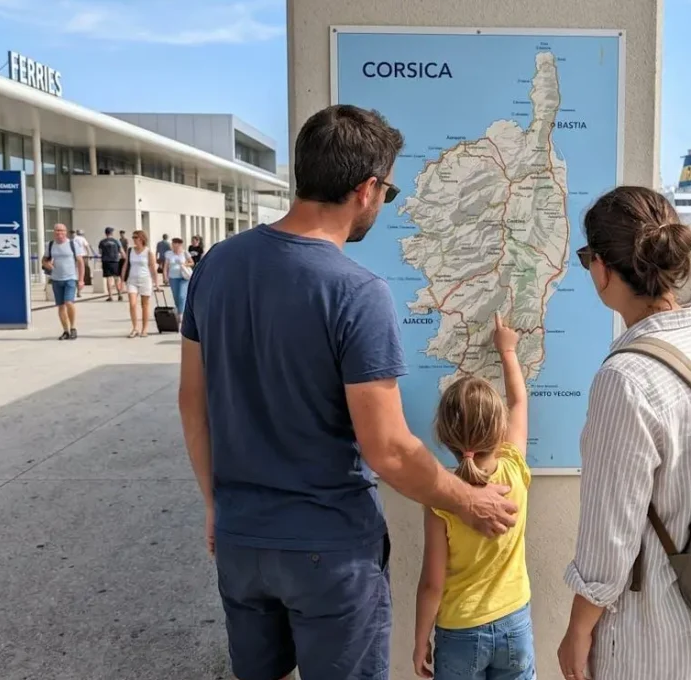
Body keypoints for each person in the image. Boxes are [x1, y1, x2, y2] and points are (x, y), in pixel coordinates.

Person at [177, 104, 517, 680]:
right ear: (367, 189)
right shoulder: (356, 293)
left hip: (241, 539)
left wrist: (217, 505)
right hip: (329, 551)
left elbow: (193, 400)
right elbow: (387, 449)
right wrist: (469, 500)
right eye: (387, 188)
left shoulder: (216, 267)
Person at [557, 186, 691, 680]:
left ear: (603, 269)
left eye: (587, 257)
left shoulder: (625, 379)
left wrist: (577, 630)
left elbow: (611, 537)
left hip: (650, 638)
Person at [413, 314, 533, 680]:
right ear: (498, 431)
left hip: (460, 632)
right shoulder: (514, 470)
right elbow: (519, 403)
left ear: (444, 435)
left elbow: (433, 583)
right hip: (515, 622)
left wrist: (420, 641)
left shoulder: (441, 500)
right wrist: (507, 350)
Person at [41, 223, 85, 341]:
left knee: (69, 302)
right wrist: (47, 264)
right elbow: (44, 259)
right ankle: (65, 330)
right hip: (56, 279)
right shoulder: (50, 245)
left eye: (61, 231)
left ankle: (73, 328)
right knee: (60, 306)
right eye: (57, 231)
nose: (59, 233)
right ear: (54, 232)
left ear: (65, 232)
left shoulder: (72, 244)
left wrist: (81, 280)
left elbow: (80, 262)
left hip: (70, 278)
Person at [121, 229, 157, 338]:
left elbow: (152, 268)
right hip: (132, 280)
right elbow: (126, 265)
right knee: (132, 304)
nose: (134, 239)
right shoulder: (130, 250)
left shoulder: (148, 252)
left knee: (144, 305)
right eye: (133, 237)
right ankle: (135, 328)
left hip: (145, 280)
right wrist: (122, 281)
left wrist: (157, 283)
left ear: (141, 239)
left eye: (135, 237)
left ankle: (144, 329)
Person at [163, 237, 193, 315]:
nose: (174, 245)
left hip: (184, 277)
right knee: (176, 297)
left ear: (180, 245)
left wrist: (184, 264)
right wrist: (165, 276)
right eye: (173, 243)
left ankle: (181, 315)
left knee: (182, 296)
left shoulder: (185, 252)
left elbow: (192, 263)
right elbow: (166, 266)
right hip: (173, 278)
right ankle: (181, 310)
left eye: (176, 244)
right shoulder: (168, 253)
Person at [97, 227, 125, 302]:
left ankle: (110, 296)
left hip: (106, 261)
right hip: (115, 261)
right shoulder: (116, 241)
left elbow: (100, 252)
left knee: (108, 278)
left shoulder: (102, 242)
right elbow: (121, 251)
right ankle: (119, 295)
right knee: (116, 278)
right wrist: (125, 258)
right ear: (112, 233)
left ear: (106, 233)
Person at [72, 229, 93, 297]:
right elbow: (86, 246)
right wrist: (89, 254)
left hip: (75, 256)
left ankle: (76, 291)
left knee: (76, 273)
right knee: (82, 272)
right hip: (83, 256)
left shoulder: (74, 239)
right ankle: (80, 290)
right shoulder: (83, 239)